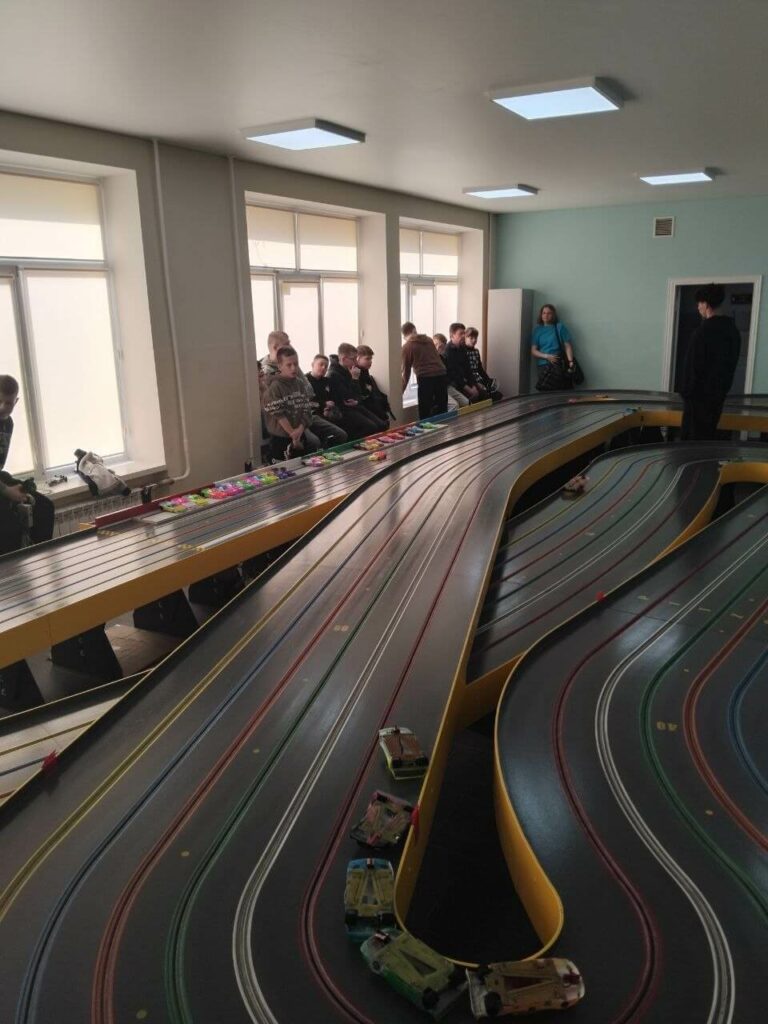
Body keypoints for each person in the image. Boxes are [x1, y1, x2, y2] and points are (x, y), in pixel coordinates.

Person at [260, 332, 346, 448]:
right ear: (275, 347)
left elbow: (309, 390)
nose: (291, 346)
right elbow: (277, 407)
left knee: (340, 434)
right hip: (286, 420)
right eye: (287, 343)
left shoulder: (292, 363)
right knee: (313, 442)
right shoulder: (264, 369)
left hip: (304, 412)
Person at [0, 374, 55, 555]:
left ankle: (41, 560)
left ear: (16, 402)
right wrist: (8, 491)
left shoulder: (8, 424)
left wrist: (19, 488)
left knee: (45, 508)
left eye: (8, 403)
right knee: (10, 528)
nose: (3, 407)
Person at [678, 284, 741, 441]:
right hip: (717, 398)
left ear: (706, 304)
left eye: (699, 303)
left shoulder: (702, 332)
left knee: (691, 442)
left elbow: (692, 369)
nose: (698, 307)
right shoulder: (732, 331)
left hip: (697, 401)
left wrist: (686, 394)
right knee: (707, 439)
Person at [262, 347, 322, 461]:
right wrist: (293, 434)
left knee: (303, 466)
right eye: (289, 365)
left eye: (296, 364)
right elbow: (279, 414)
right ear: (280, 366)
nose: (293, 368)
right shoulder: (274, 387)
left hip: (300, 434)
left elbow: (306, 409)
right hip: (281, 438)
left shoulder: (300, 384)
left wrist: (300, 430)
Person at [328, 343, 388, 438]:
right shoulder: (334, 375)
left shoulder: (348, 369)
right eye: (353, 359)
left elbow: (358, 396)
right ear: (344, 359)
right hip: (344, 410)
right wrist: (355, 379)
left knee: (382, 425)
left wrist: (357, 400)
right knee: (371, 427)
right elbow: (348, 398)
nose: (356, 362)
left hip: (356, 406)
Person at [402, 333, 448, 418]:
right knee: (442, 409)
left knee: (425, 410)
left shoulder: (408, 346)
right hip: (441, 374)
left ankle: (427, 426)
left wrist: (401, 391)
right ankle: (443, 425)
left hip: (425, 378)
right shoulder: (428, 340)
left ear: (404, 336)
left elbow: (406, 372)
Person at [531, 304, 576, 389]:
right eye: (544, 313)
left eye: (549, 313)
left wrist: (570, 361)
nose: (546, 315)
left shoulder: (559, 327)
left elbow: (567, 346)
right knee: (545, 392)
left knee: (560, 390)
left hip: (557, 364)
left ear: (553, 315)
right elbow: (533, 351)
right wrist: (546, 356)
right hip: (543, 366)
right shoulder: (538, 330)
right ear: (541, 315)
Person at [444, 323, 485, 402]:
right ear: (452, 335)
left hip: (465, 381)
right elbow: (454, 376)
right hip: (456, 384)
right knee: (474, 397)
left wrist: (473, 385)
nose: (463, 336)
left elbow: (468, 370)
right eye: (460, 333)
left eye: (464, 333)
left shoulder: (462, 348)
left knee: (484, 394)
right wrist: (469, 389)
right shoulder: (448, 350)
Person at [356, 345, 393, 423]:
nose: (370, 362)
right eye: (367, 359)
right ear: (358, 358)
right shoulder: (355, 374)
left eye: (371, 359)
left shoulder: (365, 372)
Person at [465, 327, 502, 402]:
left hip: (478, 379)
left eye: (475, 338)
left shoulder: (476, 351)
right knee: (486, 397)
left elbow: (480, 369)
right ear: (465, 338)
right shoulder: (462, 351)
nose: (474, 340)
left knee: (498, 395)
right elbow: (465, 372)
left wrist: (488, 380)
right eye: (471, 338)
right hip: (469, 381)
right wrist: (475, 384)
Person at [433, 334, 465, 411]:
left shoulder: (444, 358)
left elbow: (450, 373)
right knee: (454, 406)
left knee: (466, 402)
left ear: (444, 347)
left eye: (440, 346)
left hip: (447, 386)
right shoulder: (430, 359)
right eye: (435, 345)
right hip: (437, 388)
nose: (437, 348)